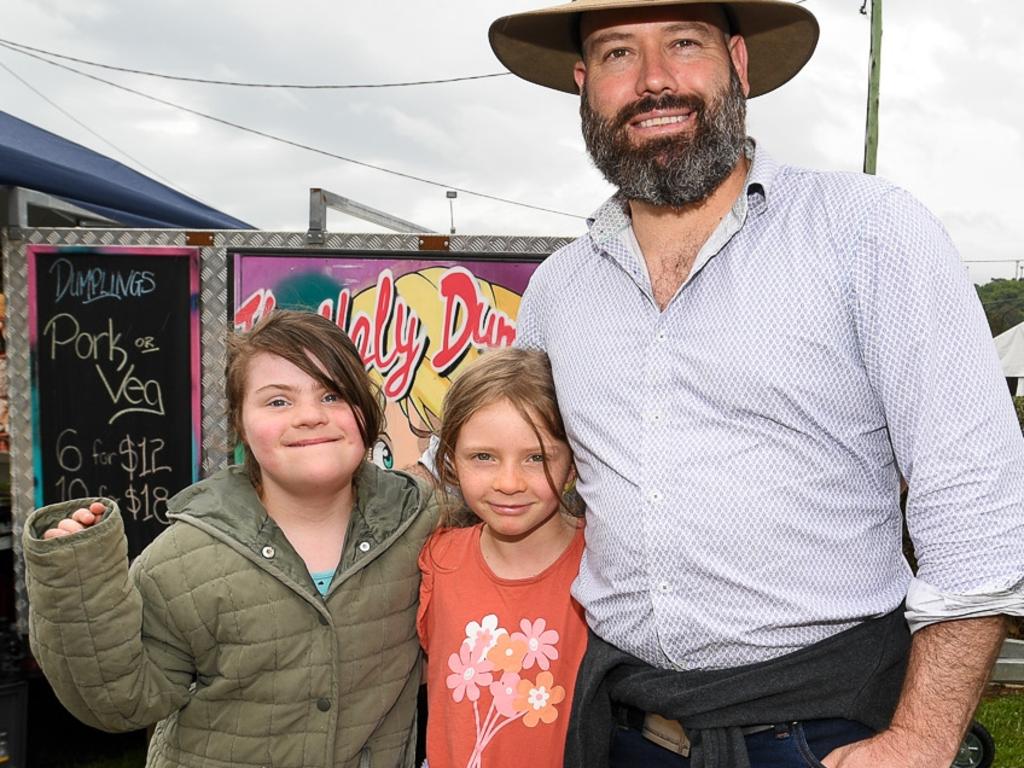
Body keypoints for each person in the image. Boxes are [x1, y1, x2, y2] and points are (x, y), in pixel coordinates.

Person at [484, 1, 1024, 767]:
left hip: (829, 733)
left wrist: (922, 741)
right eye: (616, 55)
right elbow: (530, 482)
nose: (654, 80)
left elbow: (979, 496)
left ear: (738, 61)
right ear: (584, 85)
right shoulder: (557, 292)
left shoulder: (867, 233)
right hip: (623, 730)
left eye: (683, 43)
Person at [23, 310, 437, 768]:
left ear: (366, 409)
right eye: (277, 401)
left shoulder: (421, 525)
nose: (310, 416)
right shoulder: (186, 557)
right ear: (240, 424)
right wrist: (76, 580)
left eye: (333, 394)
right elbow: (119, 700)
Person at [417, 348, 588, 768]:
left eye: (536, 458)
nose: (508, 483)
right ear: (450, 462)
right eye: (483, 457)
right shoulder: (437, 560)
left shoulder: (602, 567)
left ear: (571, 466)